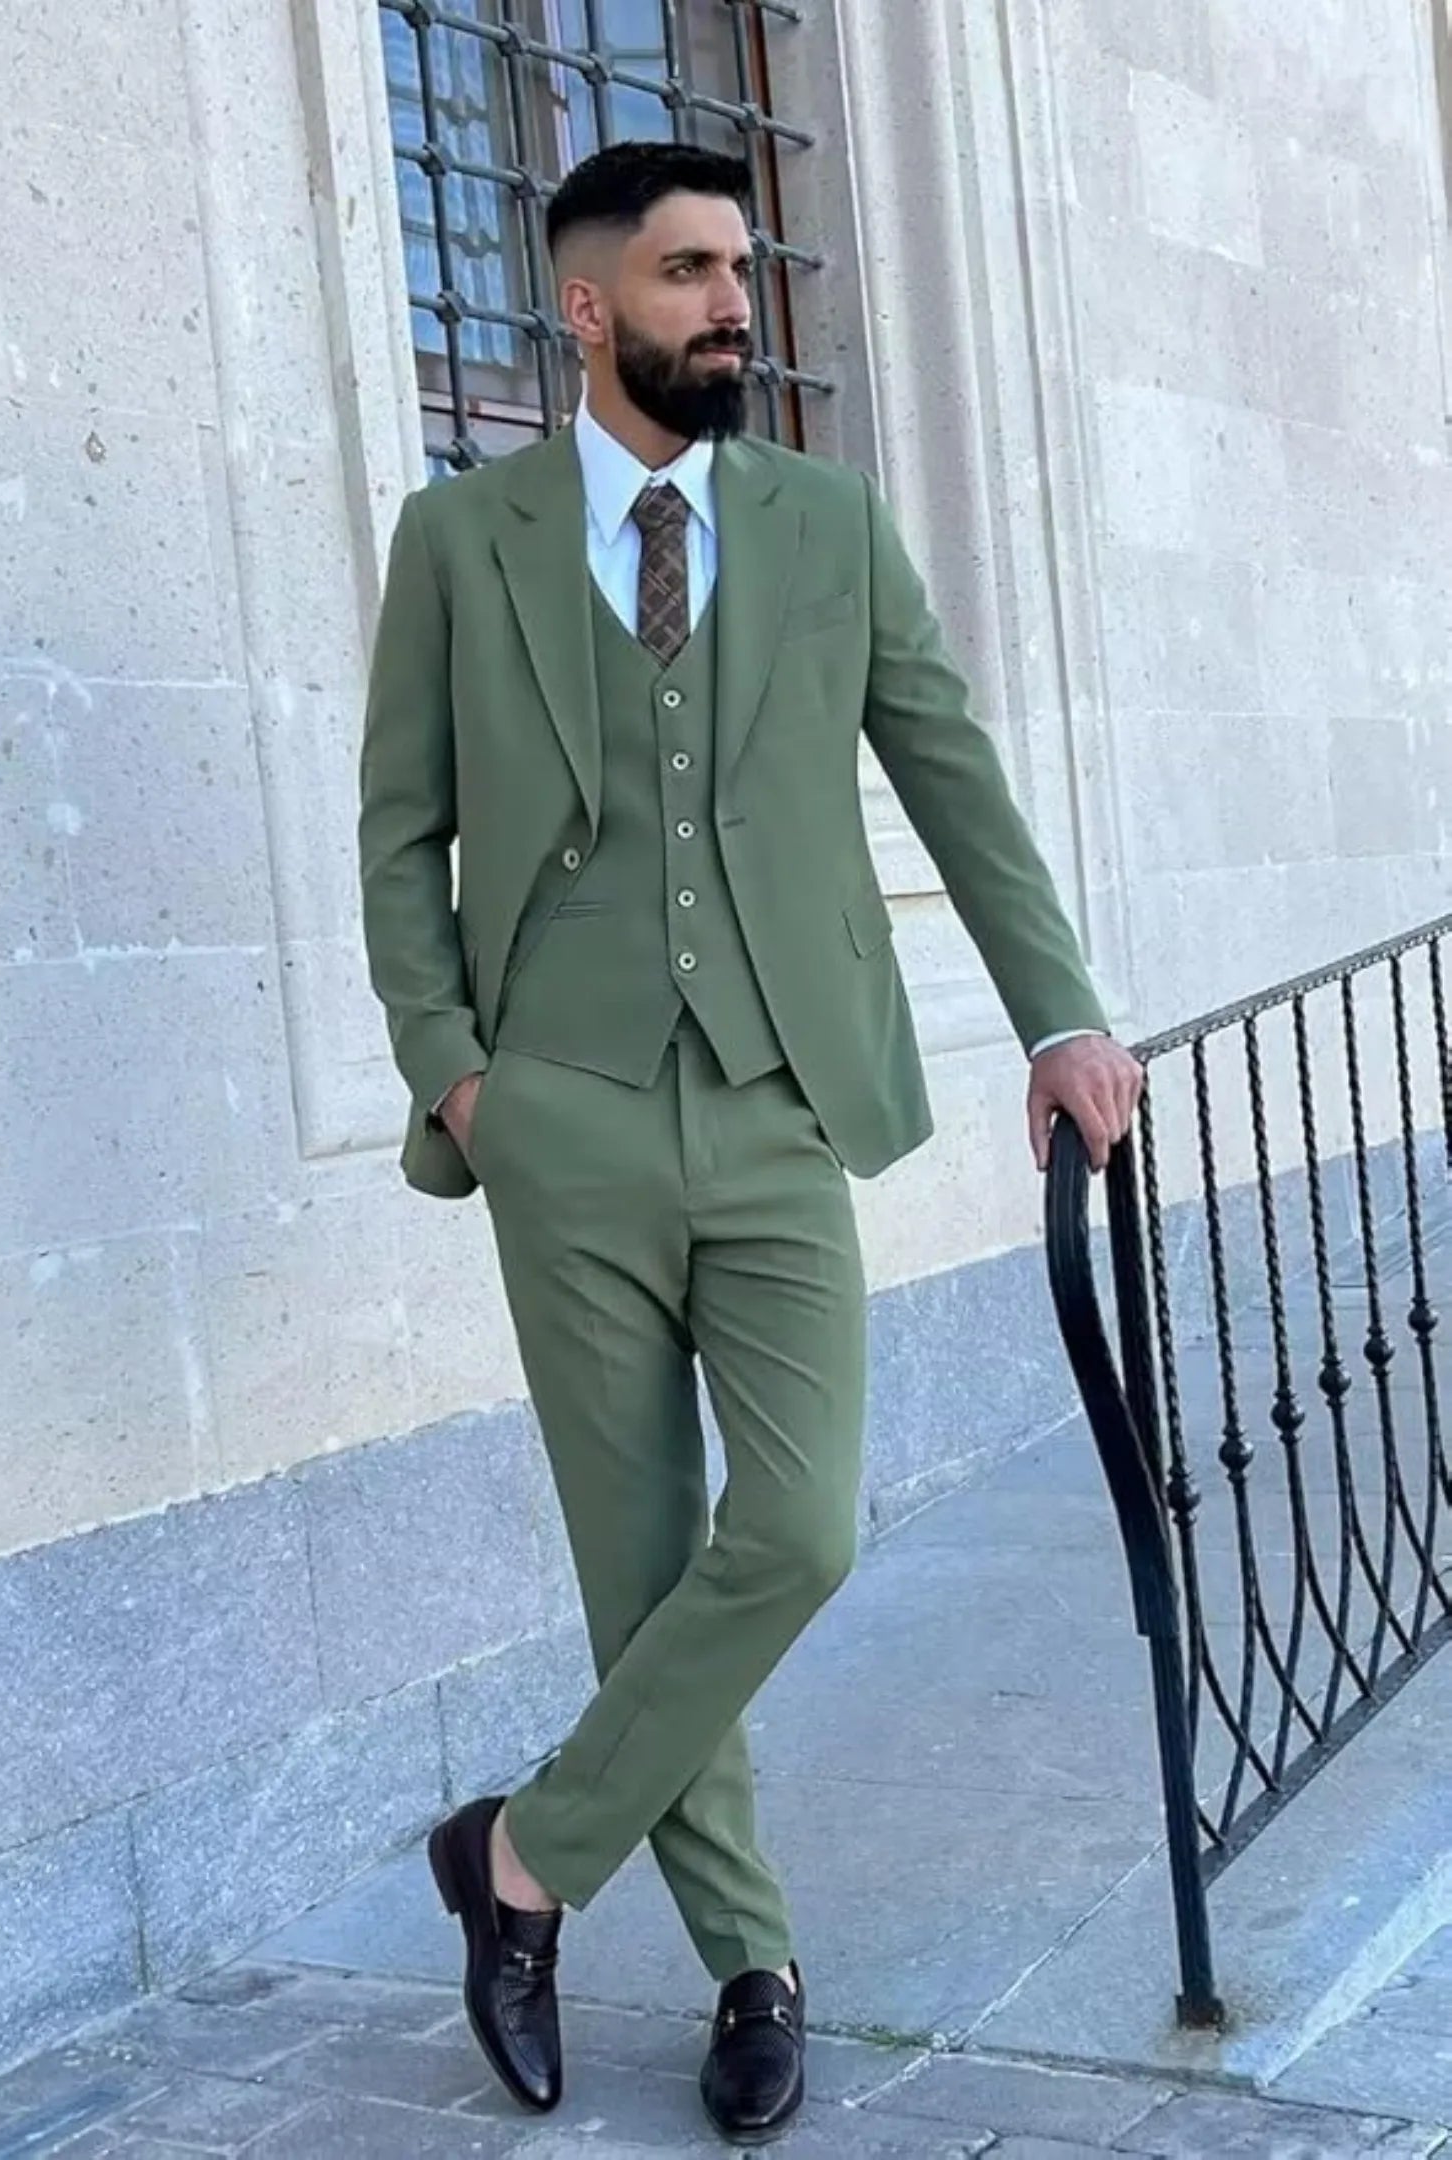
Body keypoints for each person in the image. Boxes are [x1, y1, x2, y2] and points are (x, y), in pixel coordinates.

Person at [358, 138, 1143, 2147]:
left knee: (795, 1528)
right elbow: (400, 836)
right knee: (637, 1569)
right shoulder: (463, 541)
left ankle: (518, 1861)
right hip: (564, 1116)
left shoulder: (828, 527)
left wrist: (1057, 1012)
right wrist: (463, 1081)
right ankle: (751, 1969)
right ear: (589, 304)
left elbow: (950, 767)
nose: (735, 302)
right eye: (694, 272)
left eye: (741, 266)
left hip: (786, 1100)